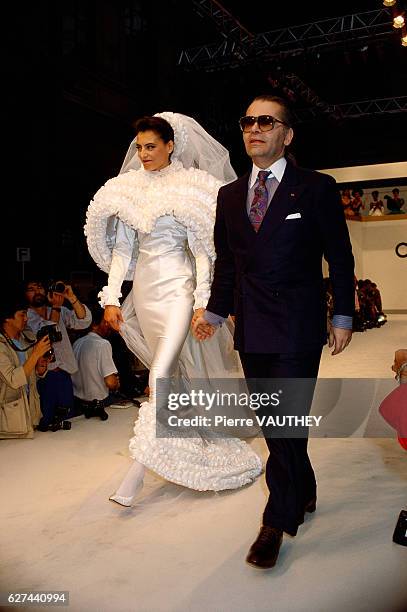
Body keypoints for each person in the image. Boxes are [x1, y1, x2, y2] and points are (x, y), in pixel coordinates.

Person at [193, 95, 355, 569]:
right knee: (276, 425)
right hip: (251, 326)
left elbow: (339, 258)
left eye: (267, 121)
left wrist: (343, 315)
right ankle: (302, 487)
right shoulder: (229, 195)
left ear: (287, 134)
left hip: (298, 326)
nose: (255, 128)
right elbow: (228, 263)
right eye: (248, 121)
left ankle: (275, 520)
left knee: (285, 422)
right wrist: (217, 313)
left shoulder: (316, 188)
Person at [85, 112, 262, 506]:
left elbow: (202, 252)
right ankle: (188, 440)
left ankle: (134, 476)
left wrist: (202, 303)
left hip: (179, 291)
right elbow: (123, 250)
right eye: (139, 147)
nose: (144, 153)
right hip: (145, 294)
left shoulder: (192, 188)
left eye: (151, 146)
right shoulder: (129, 189)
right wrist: (112, 296)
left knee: (160, 376)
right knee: (169, 376)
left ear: (170, 146)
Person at [25, 280, 92, 431]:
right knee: (45, 425)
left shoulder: (58, 311)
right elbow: (45, 333)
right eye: (31, 289)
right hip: (42, 378)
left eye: (39, 287)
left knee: (67, 422)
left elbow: (84, 321)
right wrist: (56, 307)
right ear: (24, 295)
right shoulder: (25, 318)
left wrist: (71, 297)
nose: (36, 292)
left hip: (64, 375)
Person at [0, 291, 51, 439]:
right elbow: (13, 380)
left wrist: (40, 369)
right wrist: (35, 354)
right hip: (10, 423)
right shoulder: (2, 346)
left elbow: (28, 375)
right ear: (7, 318)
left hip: (29, 412)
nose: (26, 319)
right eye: (22, 314)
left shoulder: (26, 339)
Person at [71, 305, 120, 421]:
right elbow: (110, 382)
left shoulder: (77, 343)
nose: (109, 326)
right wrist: (117, 383)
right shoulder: (103, 344)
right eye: (105, 323)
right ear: (94, 325)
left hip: (78, 402)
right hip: (100, 403)